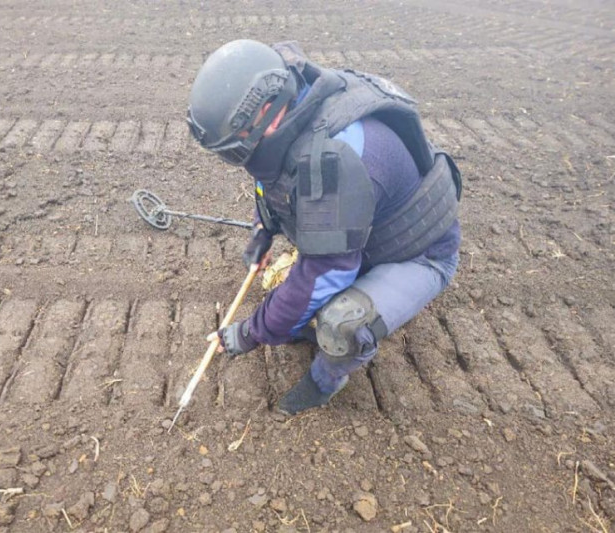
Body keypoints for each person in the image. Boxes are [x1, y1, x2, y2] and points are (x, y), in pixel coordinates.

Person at [186, 40, 462, 415]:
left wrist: (251, 332)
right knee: (299, 307)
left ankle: (323, 382)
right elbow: (271, 183)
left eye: (234, 149)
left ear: (267, 112)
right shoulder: (294, 110)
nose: (235, 159)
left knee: (342, 324)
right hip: (361, 233)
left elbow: (326, 272)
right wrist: (262, 233)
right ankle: (304, 322)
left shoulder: (330, 165)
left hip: (417, 254)